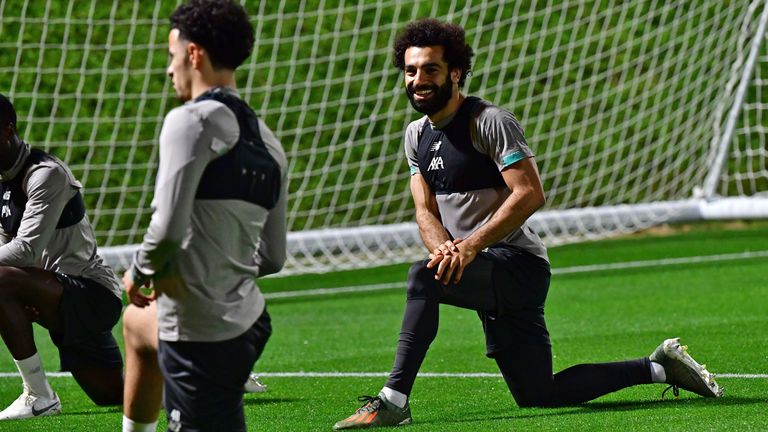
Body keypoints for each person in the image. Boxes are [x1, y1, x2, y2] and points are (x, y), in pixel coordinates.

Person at [333, 18, 723, 430]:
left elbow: (530, 193)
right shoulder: (416, 135)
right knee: (540, 394)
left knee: (422, 278)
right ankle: (658, 368)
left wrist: (468, 246)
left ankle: (393, 401)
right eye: (410, 71)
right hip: (478, 266)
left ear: (455, 72)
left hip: (518, 265)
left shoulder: (490, 121)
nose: (418, 80)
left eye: (430, 69)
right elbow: (424, 210)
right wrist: (445, 249)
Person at [120, 1, 288, 431]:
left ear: (194, 54)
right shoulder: (271, 144)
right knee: (138, 324)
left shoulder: (190, 121)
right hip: (250, 322)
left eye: (172, 56)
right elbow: (273, 257)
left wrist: (138, 273)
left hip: (201, 335)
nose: (169, 69)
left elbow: (167, 231)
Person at [0, 94, 124, 420]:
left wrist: (14, 287)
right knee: (113, 394)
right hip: (54, 293)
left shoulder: (45, 174)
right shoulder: (2, 183)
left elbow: (25, 250)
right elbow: (6, 253)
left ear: (7, 130)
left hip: (90, 293)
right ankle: (212, 378)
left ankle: (39, 396)